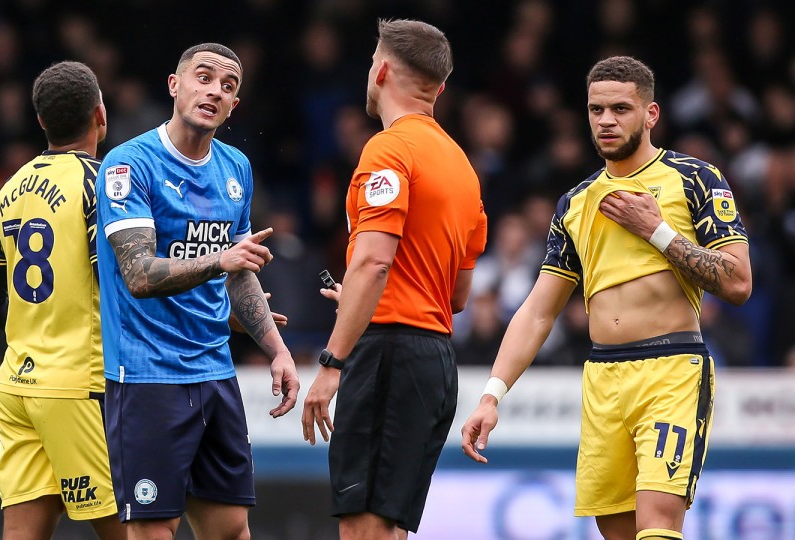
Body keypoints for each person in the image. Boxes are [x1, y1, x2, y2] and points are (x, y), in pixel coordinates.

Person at [461, 56, 753, 540]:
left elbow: (738, 282)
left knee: (658, 525)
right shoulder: (575, 203)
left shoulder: (695, 179)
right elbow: (538, 311)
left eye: (620, 108)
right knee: (616, 533)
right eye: (596, 110)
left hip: (671, 368)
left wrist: (656, 231)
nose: (606, 121)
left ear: (651, 114)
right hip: (603, 378)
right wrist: (492, 395)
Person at [95, 43, 299, 540]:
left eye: (228, 86)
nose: (214, 90)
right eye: (204, 77)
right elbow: (138, 274)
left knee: (230, 527)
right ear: (175, 84)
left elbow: (240, 271)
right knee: (153, 528)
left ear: (234, 105)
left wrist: (276, 348)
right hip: (147, 375)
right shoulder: (128, 165)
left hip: (215, 369)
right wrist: (219, 259)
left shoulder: (236, 169)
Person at [301, 19, 488, 540]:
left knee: (364, 528)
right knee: (388, 528)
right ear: (441, 87)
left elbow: (373, 264)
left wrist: (333, 361)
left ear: (381, 70)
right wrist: (364, 299)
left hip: (387, 355)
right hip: (433, 362)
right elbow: (456, 294)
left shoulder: (388, 150)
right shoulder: (463, 168)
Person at [0, 61, 124, 540]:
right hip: (78, 385)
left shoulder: (9, 190)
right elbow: (121, 286)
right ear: (100, 115)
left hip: (17, 384)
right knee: (135, 529)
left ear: (41, 120)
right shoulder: (99, 185)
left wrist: (39, 329)